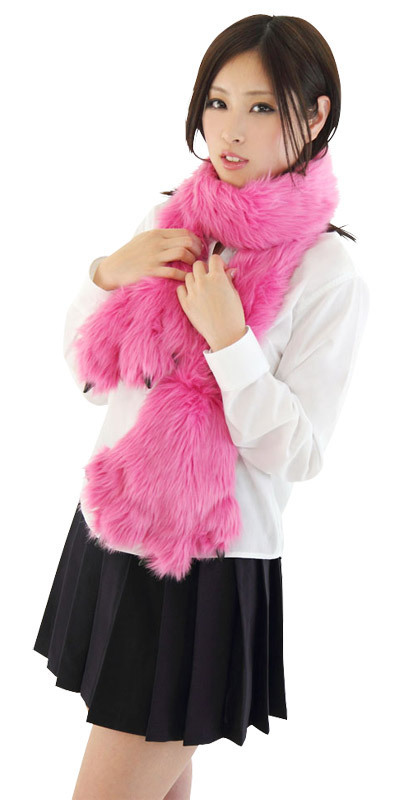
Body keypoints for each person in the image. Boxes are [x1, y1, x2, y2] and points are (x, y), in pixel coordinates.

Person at [32, 14, 369, 800]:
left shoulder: (328, 273)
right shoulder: (169, 223)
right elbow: (90, 381)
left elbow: (300, 454)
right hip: (116, 532)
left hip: (208, 572)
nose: (231, 130)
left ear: (315, 114)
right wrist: (108, 273)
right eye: (218, 102)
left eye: (261, 106)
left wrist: (229, 342)